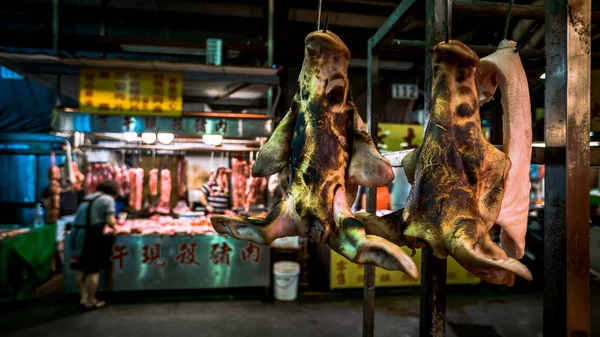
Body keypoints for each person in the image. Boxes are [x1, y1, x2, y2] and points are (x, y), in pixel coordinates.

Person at [69, 180, 118, 309]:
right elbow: (110, 221)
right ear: (112, 192)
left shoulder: (88, 197)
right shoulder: (107, 199)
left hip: (77, 233)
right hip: (91, 236)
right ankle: (91, 301)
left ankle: (83, 298)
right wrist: (116, 226)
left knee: (81, 268)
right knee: (93, 270)